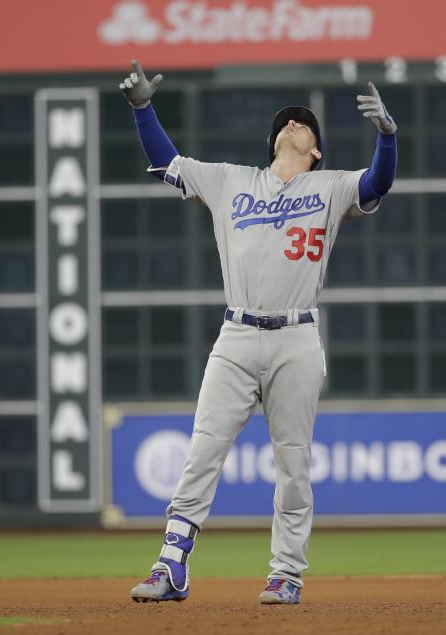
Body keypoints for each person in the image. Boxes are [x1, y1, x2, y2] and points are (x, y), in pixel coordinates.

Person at [121, 60, 397, 605]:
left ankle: (286, 573)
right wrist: (142, 110)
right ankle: (172, 564)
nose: (293, 124)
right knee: (203, 448)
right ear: (274, 141)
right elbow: (167, 162)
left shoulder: (330, 187)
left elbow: (377, 182)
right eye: (286, 122)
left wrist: (387, 138)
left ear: (316, 149)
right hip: (237, 334)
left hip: (296, 338)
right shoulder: (231, 181)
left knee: (293, 463)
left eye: (304, 123)